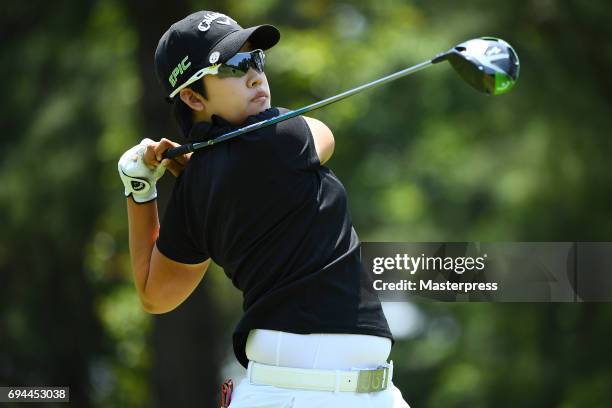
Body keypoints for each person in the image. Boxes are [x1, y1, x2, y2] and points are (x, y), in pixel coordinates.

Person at [118, 10, 410, 407]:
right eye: (235, 65)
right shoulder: (282, 136)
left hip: (355, 392)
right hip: (297, 393)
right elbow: (325, 136)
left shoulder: (195, 187)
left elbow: (155, 294)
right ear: (191, 96)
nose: (255, 75)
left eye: (256, 60)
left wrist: (140, 190)